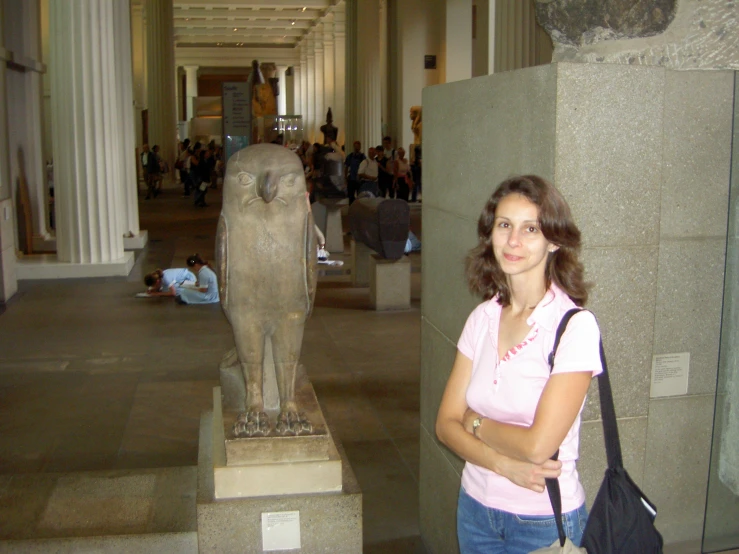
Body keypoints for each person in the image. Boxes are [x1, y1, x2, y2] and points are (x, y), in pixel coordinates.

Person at [435, 175, 602, 553]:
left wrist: (473, 421)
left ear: (554, 240)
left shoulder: (573, 327)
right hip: (475, 509)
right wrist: (501, 464)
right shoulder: (482, 318)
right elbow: (444, 425)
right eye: (504, 225)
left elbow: (537, 447)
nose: (513, 241)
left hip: (542, 519)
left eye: (531, 229)